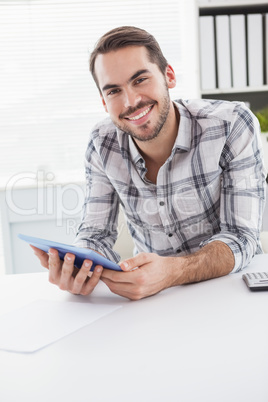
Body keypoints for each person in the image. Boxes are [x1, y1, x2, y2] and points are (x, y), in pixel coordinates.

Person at [32, 26, 267, 300]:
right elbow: (95, 235)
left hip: (230, 290)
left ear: (169, 75)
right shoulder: (102, 142)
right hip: (152, 299)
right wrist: (80, 267)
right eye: (114, 91)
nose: (131, 101)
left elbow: (242, 237)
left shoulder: (232, 124)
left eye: (140, 80)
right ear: (103, 101)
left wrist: (173, 272)